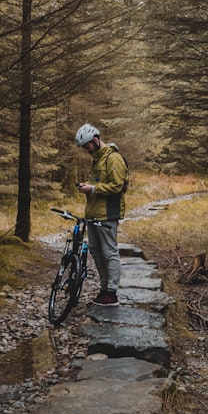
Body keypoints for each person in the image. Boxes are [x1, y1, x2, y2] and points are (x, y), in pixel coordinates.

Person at [74, 123, 128, 306]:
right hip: (94, 214)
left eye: (87, 146)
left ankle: (111, 293)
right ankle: (104, 290)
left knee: (109, 252)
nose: (86, 150)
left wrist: (93, 189)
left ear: (96, 140)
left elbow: (117, 186)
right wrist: (88, 187)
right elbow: (98, 183)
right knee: (96, 252)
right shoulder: (96, 159)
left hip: (108, 214)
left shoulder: (113, 158)